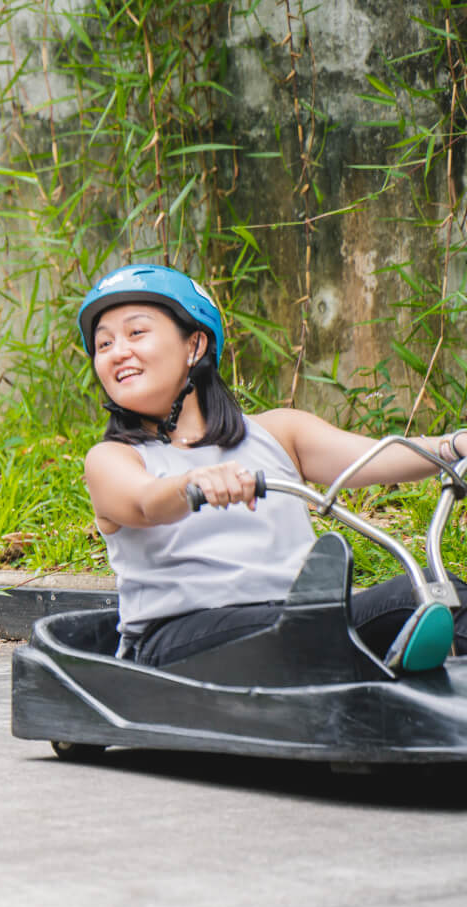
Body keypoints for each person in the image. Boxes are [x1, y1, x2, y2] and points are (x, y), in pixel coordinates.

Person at [78, 263, 467, 667]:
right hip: (177, 642)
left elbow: (374, 456)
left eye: (136, 333)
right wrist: (191, 484)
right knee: (322, 625)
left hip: (301, 620)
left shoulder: (278, 433)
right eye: (103, 345)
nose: (118, 352)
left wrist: (452, 445)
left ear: (194, 345)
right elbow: (144, 502)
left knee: (436, 591)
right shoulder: (113, 458)